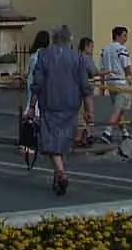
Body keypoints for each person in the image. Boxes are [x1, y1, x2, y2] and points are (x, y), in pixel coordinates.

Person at [28, 24, 95, 195]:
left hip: (50, 103)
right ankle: (57, 175)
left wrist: (31, 105)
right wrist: (89, 110)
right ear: (69, 39)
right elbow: (85, 86)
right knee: (63, 140)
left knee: (50, 141)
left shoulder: (44, 55)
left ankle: (60, 172)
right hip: (71, 104)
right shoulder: (78, 58)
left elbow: (38, 82)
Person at [100, 25, 132, 143]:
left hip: (110, 83)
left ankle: (125, 133)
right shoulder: (121, 49)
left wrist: (102, 85)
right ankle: (107, 132)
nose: (126, 38)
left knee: (120, 109)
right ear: (118, 36)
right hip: (121, 81)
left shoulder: (105, 49)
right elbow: (126, 65)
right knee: (119, 109)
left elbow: (102, 68)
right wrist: (130, 77)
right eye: (124, 35)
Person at [74, 36, 99, 147]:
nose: (93, 49)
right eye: (91, 46)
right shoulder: (87, 58)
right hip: (87, 88)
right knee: (89, 112)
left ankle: (79, 136)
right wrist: (106, 71)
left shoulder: (75, 57)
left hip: (76, 88)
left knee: (80, 113)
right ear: (86, 46)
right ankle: (89, 135)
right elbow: (93, 71)